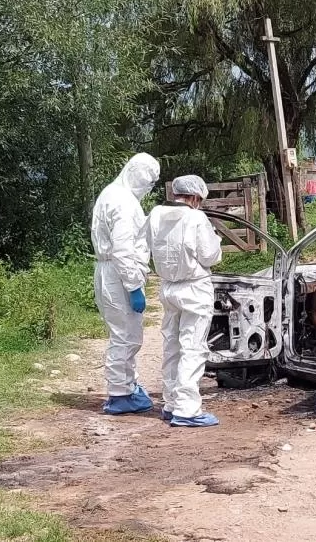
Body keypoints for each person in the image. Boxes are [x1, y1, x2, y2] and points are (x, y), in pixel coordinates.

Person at [143, 175, 223, 427]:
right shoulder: (196, 218)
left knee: (172, 346)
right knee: (193, 347)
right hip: (194, 289)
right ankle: (187, 409)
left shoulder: (156, 214)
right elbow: (209, 256)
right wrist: (218, 241)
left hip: (168, 288)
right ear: (196, 197)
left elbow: (144, 246)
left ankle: (171, 403)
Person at [91, 153, 160, 415]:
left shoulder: (112, 193)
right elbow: (123, 250)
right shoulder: (122, 202)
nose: (148, 187)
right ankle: (120, 394)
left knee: (125, 334)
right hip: (119, 274)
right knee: (125, 335)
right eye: (148, 181)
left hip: (110, 271)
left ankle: (127, 386)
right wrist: (133, 287)